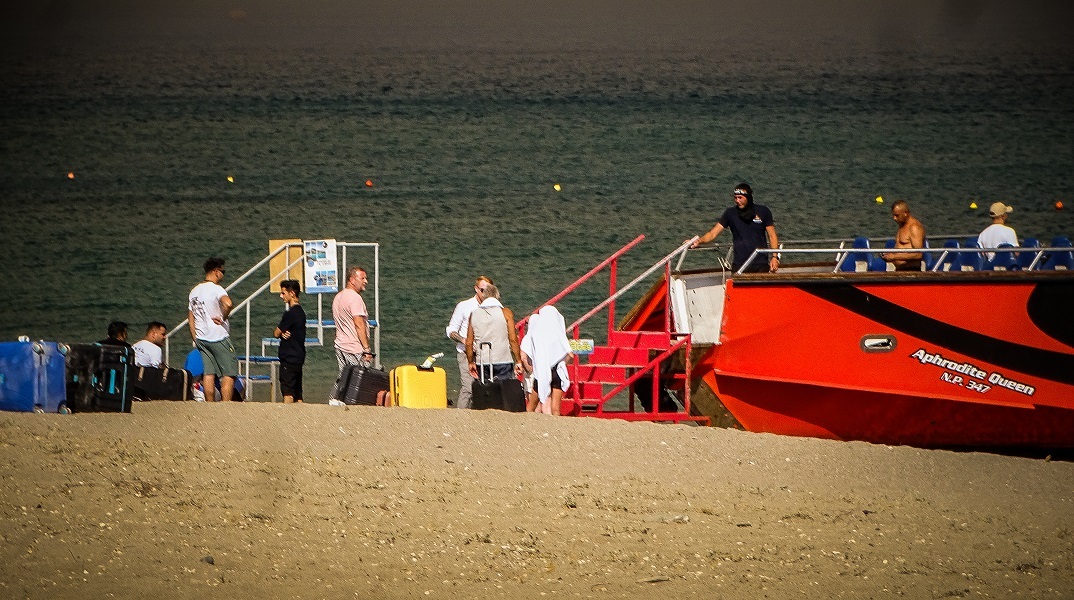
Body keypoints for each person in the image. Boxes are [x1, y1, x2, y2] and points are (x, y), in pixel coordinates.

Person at [690, 182, 780, 273]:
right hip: (739, 264)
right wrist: (699, 241)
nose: (737, 200)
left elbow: (772, 235)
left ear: (748, 197)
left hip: (760, 263)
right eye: (735, 198)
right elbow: (713, 233)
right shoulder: (730, 213)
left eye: (740, 198)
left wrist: (774, 257)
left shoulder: (763, 211)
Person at [188, 257, 238, 402]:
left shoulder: (194, 291)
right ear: (216, 271)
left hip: (201, 338)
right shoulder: (216, 289)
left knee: (208, 373)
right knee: (229, 373)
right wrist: (223, 316)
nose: (223, 274)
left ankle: (210, 406)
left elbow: (191, 318)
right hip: (218, 336)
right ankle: (225, 405)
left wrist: (195, 338)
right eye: (223, 271)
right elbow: (228, 303)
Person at [445, 275, 493, 409]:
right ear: (476, 289)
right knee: (469, 388)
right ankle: (459, 416)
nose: (485, 294)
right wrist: (464, 340)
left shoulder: (493, 307)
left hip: (486, 354)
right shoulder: (464, 306)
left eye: (489, 290)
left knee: (484, 388)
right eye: (483, 290)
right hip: (466, 353)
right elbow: (451, 330)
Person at [465, 284, 523, 387]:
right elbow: (513, 339)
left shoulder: (473, 314)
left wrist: (470, 362)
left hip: (482, 361)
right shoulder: (506, 312)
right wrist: (518, 361)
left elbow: (469, 342)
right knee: (504, 392)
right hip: (503, 360)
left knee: (487, 393)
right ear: (497, 296)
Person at [329, 266, 373, 403]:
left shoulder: (338, 297)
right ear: (352, 279)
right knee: (359, 379)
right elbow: (359, 324)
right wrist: (366, 349)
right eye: (362, 278)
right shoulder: (355, 298)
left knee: (343, 376)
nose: (365, 281)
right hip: (354, 347)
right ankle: (351, 402)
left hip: (340, 345)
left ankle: (334, 399)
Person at [520, 305, 573, 416]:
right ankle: (556, 429)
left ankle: (525, 426)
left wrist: (530, 366)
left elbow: (525, 350)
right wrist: (562, 363)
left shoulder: (537, 333)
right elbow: (570, 354)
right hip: (557, 371)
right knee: (556, 408)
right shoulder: (558, 333)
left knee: (531, 407)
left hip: (542, 372)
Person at [273, 279, 306, 403]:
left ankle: (288, 417)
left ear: (292, 293)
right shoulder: (301, 312)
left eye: (283, 293)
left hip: (289, 356)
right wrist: (283, 333)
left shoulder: (290, 313)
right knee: (298, 391)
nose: (281, 296)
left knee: (288, 391)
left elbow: (276, 332)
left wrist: (280, 333)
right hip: (299, 355)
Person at [881, 199, 926, 271]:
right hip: (899, 270)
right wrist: (889, 255)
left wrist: (894, 257)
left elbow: (918, 254)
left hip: (911, 271)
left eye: (897, 215)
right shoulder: (902, 225)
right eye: (893, 215)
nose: (894, 218)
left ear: (905, 213)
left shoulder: (914, 228)